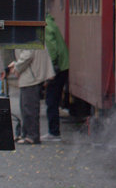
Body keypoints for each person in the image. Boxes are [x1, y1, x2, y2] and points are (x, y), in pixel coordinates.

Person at [0, 45, 54, 144]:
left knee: (29, 106)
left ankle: (32, 136)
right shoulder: (26, 33)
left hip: (31, 75)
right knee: (26, 105)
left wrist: (16, 67)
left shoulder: (25, 34)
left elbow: (27, 55)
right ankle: (26, 134)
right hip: (31, 73)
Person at [44, 13, 69, 141]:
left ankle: (54, 132)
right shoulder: (50, 21)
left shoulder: (45, 25)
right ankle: (53, 131)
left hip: (57, 68)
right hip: (63, 66)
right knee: (53, 99)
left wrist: (52, 65)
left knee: (51, 100)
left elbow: (51, 48)